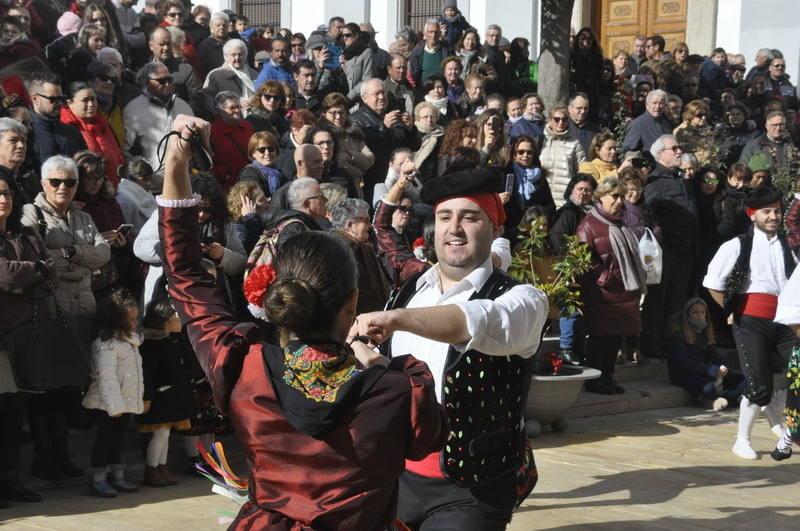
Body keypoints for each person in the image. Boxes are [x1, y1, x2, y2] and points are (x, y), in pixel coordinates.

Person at [157, 114, 446, 527]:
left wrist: (175, 164)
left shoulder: (243, 365)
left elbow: (184, 272)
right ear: (352, 302)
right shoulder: (396, 389)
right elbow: (428, 440)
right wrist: (384, 366)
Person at [351, 164, 547, 529]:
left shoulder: (524, 299)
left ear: (495, 228)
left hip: (473, 487)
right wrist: (370, 361)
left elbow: (474, 321)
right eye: (445, 217)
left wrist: (396, 319)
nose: (454, 229)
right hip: (396, 476)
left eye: (470, 217)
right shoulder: (408, 291)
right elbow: (403, 384)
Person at [21, 155, 111, 481]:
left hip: (82, 312)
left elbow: (104, 252)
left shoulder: (84, 216)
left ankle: (61, 456)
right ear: (44, 183)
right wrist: (81, 261)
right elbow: (39, 259)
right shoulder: (31, 213)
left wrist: (70, 254)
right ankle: (45, 458)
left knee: (69, 389)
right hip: (49, 313)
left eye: (70, 182)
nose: (63, 188)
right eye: (56, 182)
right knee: (48, 391)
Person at [703, 186, 796, 459]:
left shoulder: (789, 246)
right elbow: (712, 283)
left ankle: (775, 408)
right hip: (751, 320)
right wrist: (729, 309)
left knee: (798, 371)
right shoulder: (737, 245)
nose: (773, 216)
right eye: (766, 212)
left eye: (777, 211)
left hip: (786, 321)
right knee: (758, 384)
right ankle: (742, 439)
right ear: (752, 214)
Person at [0, 171, 49, 507]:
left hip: (23, 332)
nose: (2, 199)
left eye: (6, 192)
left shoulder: (25, 234)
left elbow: (52, 270)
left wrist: (31, 272)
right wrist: (34, 271)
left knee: (14, 413)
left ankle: (10, 479)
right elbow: (5, 273)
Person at [577, 177, 646, 394]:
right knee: (600, 339)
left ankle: (607, 377)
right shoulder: (589, 223)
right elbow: (582, 258)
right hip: (602, 293)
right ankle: (594, 379)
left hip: (623, 291)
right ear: (601, 196)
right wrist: (603, 277)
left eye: (621, 197)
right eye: (614, 196)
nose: (618, 201)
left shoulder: (621, 223)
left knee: (615, 338)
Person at [640, 135, 697, 360]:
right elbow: (648, 214)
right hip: (667, 252)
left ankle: (671, 343)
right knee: (658, 301)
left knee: (676, 302)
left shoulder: (681, 179)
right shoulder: (655, 182)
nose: (679, 150)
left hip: (686, 252)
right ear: (660, 154)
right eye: (673, 148)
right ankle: (653, 344)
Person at [82, 289, 143, 498]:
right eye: (131, 319)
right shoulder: (105, 345)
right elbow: (106, 378)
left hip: (121, 403)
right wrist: (115, 407)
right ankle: (98, 478)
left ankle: (116, 475)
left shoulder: (130, 341)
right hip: (106, 404)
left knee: (117, 440)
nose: (136, 322)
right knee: (104, 441)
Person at [665, 297, 745, 410]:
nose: (699, 315)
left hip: (705, 370)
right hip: (684, 373)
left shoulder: (704, 332)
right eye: (695, 312)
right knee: (708, 387)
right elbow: (683, 362)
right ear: (687, 315)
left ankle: (726, 399)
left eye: (702, 312)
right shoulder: (677, 335)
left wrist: (723, 367)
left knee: (742, 380)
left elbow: (713, 354)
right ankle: (720, 399)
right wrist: (709, 369)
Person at [350, 79, 421, 204]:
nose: (382, 97)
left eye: (383, 93)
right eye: (376, 94)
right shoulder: (356, 120)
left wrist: (411, 129)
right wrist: (383, 127)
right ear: (364, 98)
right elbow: (364, 149)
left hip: (400, 177)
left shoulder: (395, 114)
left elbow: (414, 146)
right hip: (374, 180)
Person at [551, 174, 597, 364]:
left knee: (580, 310)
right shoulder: (568, 212)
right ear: (572, 189)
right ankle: (566, 348)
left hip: (585, 269)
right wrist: (569, 263)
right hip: (570, 269)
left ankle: (577, 348)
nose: (584, 193)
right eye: (581, 189)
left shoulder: (590, 212)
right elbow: (557, 237)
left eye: (588, 190)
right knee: (570, 309)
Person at [123, 61, 193, 176]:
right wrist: (145, 173)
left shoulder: (184, 107)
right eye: (161, 81)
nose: (167, 84)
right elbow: (126, 151)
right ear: (146, 82)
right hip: (151, 185)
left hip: (183, 182)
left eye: (169, 80)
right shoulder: (133, 110)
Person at [330, 198, 392, 312]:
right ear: (350, 225)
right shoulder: (334, 251)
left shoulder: (364, 247)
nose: (370, 225)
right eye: (366, 221)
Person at [60, 82, 125, 185]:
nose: (91, 104)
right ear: (70, 103)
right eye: (85, 100)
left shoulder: (103, 125)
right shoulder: (66, 130)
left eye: (93, 99)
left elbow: (118, 156)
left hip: (114, 188)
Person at [319, 92, 374, 197]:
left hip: (357, 188)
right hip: (335, 189)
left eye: (341, 112)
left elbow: (370, 159)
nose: (338, 116)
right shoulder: (325, 136)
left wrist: (349, 155)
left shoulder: (353, 133)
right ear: (324, 114)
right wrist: (360, 171)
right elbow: (340, 163)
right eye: (333, 113)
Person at [28, 72, 87, 167]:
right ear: (35, 99)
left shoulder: (72, 133)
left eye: (61, 98)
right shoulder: (26, 134)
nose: (59, 103)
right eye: (53, 99)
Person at [504, 135, 554, 239]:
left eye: (529, 152)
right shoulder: (506, 174)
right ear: (514, 154)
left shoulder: (539, 176)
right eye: (521, 152)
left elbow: (550, 206)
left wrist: (536, 214)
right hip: (511, 230)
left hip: (535, 231)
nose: (525, 155)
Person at [539, 104, 586, 207]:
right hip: (542, 199)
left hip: (564, 200)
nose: (561, 122)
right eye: (557, 119)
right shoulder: (540, 141)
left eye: (564, 119)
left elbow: (582, 171)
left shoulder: (575, 143)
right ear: (550, 120)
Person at [148, 27, 203, 113]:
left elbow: (198, 100)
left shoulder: (186, 70)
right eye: (161, 44)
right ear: (151, 46)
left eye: (169, 44)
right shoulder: (144, 72)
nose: (166, 48)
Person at [209, 92, 255, 190]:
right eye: (232, 108)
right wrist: (223, 173)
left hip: (250, 181)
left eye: (239, 107)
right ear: (220, 110)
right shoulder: (212, 132)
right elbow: (208, 161)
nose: (237, 110)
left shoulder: (247, 127)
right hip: (228, 186)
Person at [203, 39, 257, 117]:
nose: (237, 58)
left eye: (240, 54)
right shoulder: (215, 75)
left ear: (245, 55)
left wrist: (254, 100)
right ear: (226, 56)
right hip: (226, 120)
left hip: (252, 119)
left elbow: (261, 94)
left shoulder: (253, 74)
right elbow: (207, 100)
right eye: (233, 55)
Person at [237, 130, 286, 198]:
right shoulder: (249, 174)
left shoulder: (278, 172)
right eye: (262, 150)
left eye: (271, 149)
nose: (267, 153)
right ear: (253, 153)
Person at [622, 89, 672, 153]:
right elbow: (628, 149)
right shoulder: (637, 124)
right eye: (654, 103)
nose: (658, 106)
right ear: (647, 105)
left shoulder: (666, 124)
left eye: (661, 103)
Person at [116, 157, 156, 235]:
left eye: (150, 178)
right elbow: (125, 232)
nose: (149, 183)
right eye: (144, 179)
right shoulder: (124, 200)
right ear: (132, 178)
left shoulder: (147, 193)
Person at [409, 19, 454, 86]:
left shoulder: (448, 51)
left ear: (439, 34)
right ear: (425, 34)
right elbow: (414, 75)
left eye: (436, 32)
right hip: (423, 90)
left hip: (444, 90)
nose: (433, 35)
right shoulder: (416, 53)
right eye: (430, 32)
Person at [227, 180, 269, 253]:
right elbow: (252, 249)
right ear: (247, 205)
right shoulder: (238, 229)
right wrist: (251, 218)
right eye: (261, 200)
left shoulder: (261, 218)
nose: (267, 200)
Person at [412, 102, 445, 182]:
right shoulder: (412, 133)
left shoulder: (442, 136)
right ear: (418, 118)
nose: (429, 120)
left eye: (432, 116)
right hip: (413, 177)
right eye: (425, 117)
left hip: (433, 178)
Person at [340, 24, 374, 101]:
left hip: (358, 98)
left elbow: (367, 79)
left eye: (348, 35)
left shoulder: (366, 52)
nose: (345, 38)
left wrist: (350, 96)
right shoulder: (345, 52)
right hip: (343, 97)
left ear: (357, 35)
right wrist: (343, 67)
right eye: (343, 36)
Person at [196, 12, 229, 79]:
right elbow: (201, 69)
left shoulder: (232, 44)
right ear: (211, 28)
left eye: (224, 25)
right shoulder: (204, 46)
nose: (221, 27)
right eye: (218, 25)